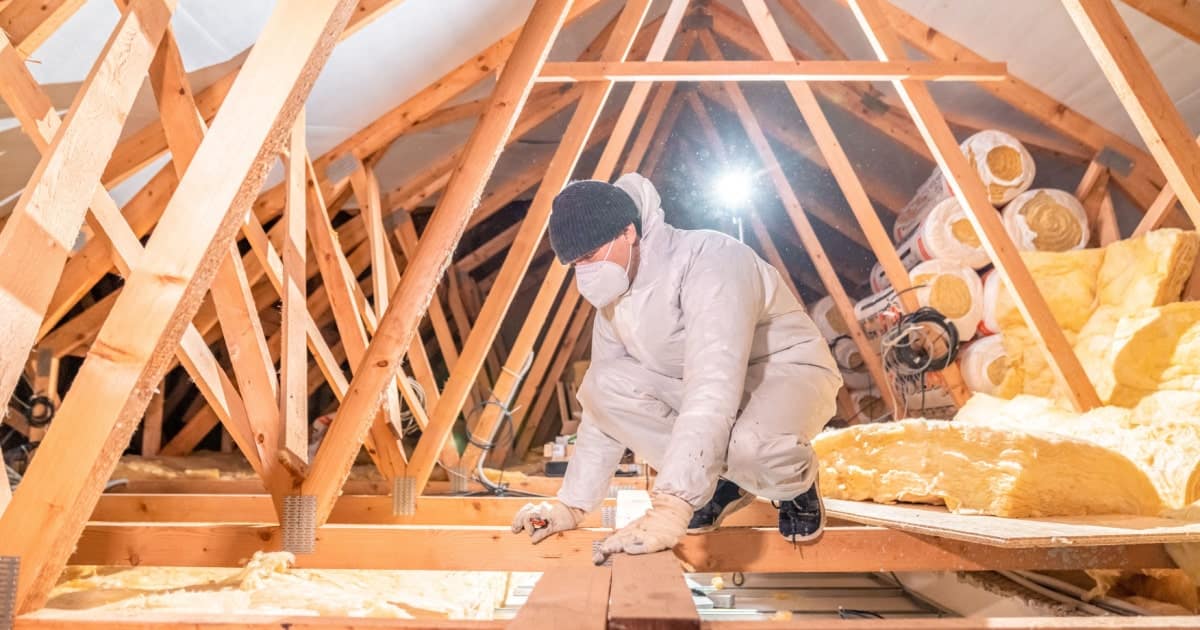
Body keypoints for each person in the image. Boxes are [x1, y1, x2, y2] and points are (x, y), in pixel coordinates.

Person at [510, 173, 841, 564]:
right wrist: (571, 505)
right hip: (704, 387)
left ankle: (794, 484)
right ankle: (722, 482)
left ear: (628, 232)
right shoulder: (614, 306)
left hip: (784, 371)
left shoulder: (709, 259)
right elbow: (603, 412)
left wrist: (672, 505)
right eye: (575, 264)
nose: (584, 272)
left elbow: (713, 382)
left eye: (590, 256)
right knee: (602, 385)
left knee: (750, 448)